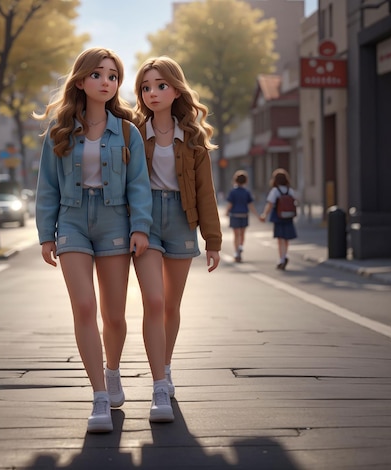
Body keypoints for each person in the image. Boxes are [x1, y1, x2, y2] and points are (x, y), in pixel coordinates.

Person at [34, 48, 153, 433]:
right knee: (84, 307)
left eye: (114, 76)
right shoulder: (60, 130)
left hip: (115, 220)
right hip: (72, 221)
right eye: (99, 75)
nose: (107, 82)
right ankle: (99, 397)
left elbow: (139, 185)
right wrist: (45, 234)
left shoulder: (129, 132)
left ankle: (113, 370)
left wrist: (141, 227)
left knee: (114, 315)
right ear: (81, 80)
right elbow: (46, 187)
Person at [133, 56, 222, 405]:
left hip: (182, 220)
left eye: (160, 85)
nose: (152, 93)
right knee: (153, 302)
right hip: (146, 218)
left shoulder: (194, 136)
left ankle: (166, 368)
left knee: (171, 305)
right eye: (145, 87)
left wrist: (212, 241)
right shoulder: (135, 133)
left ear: (176, 89)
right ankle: (158, 385)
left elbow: (205, 191)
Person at [259, 168, 298, 269]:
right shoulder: (290, 190)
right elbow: (295, 202)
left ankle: (281, 258)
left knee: (280, 238)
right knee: (286, 238)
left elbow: (270, 204)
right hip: (288, 216)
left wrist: (264, 215)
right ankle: (285, 255)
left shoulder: (275, 191)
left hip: (278, 216)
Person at [225, 170, 260, 262]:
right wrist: (257, 215)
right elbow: (251, 205)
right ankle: (240, 246)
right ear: (246, 181)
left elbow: (230, 204)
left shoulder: (233, 192)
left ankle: (236, 252)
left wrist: (226, 212)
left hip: (235, 215)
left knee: (236, 234)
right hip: (244, 214)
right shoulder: (246, 192)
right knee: (242, 233)